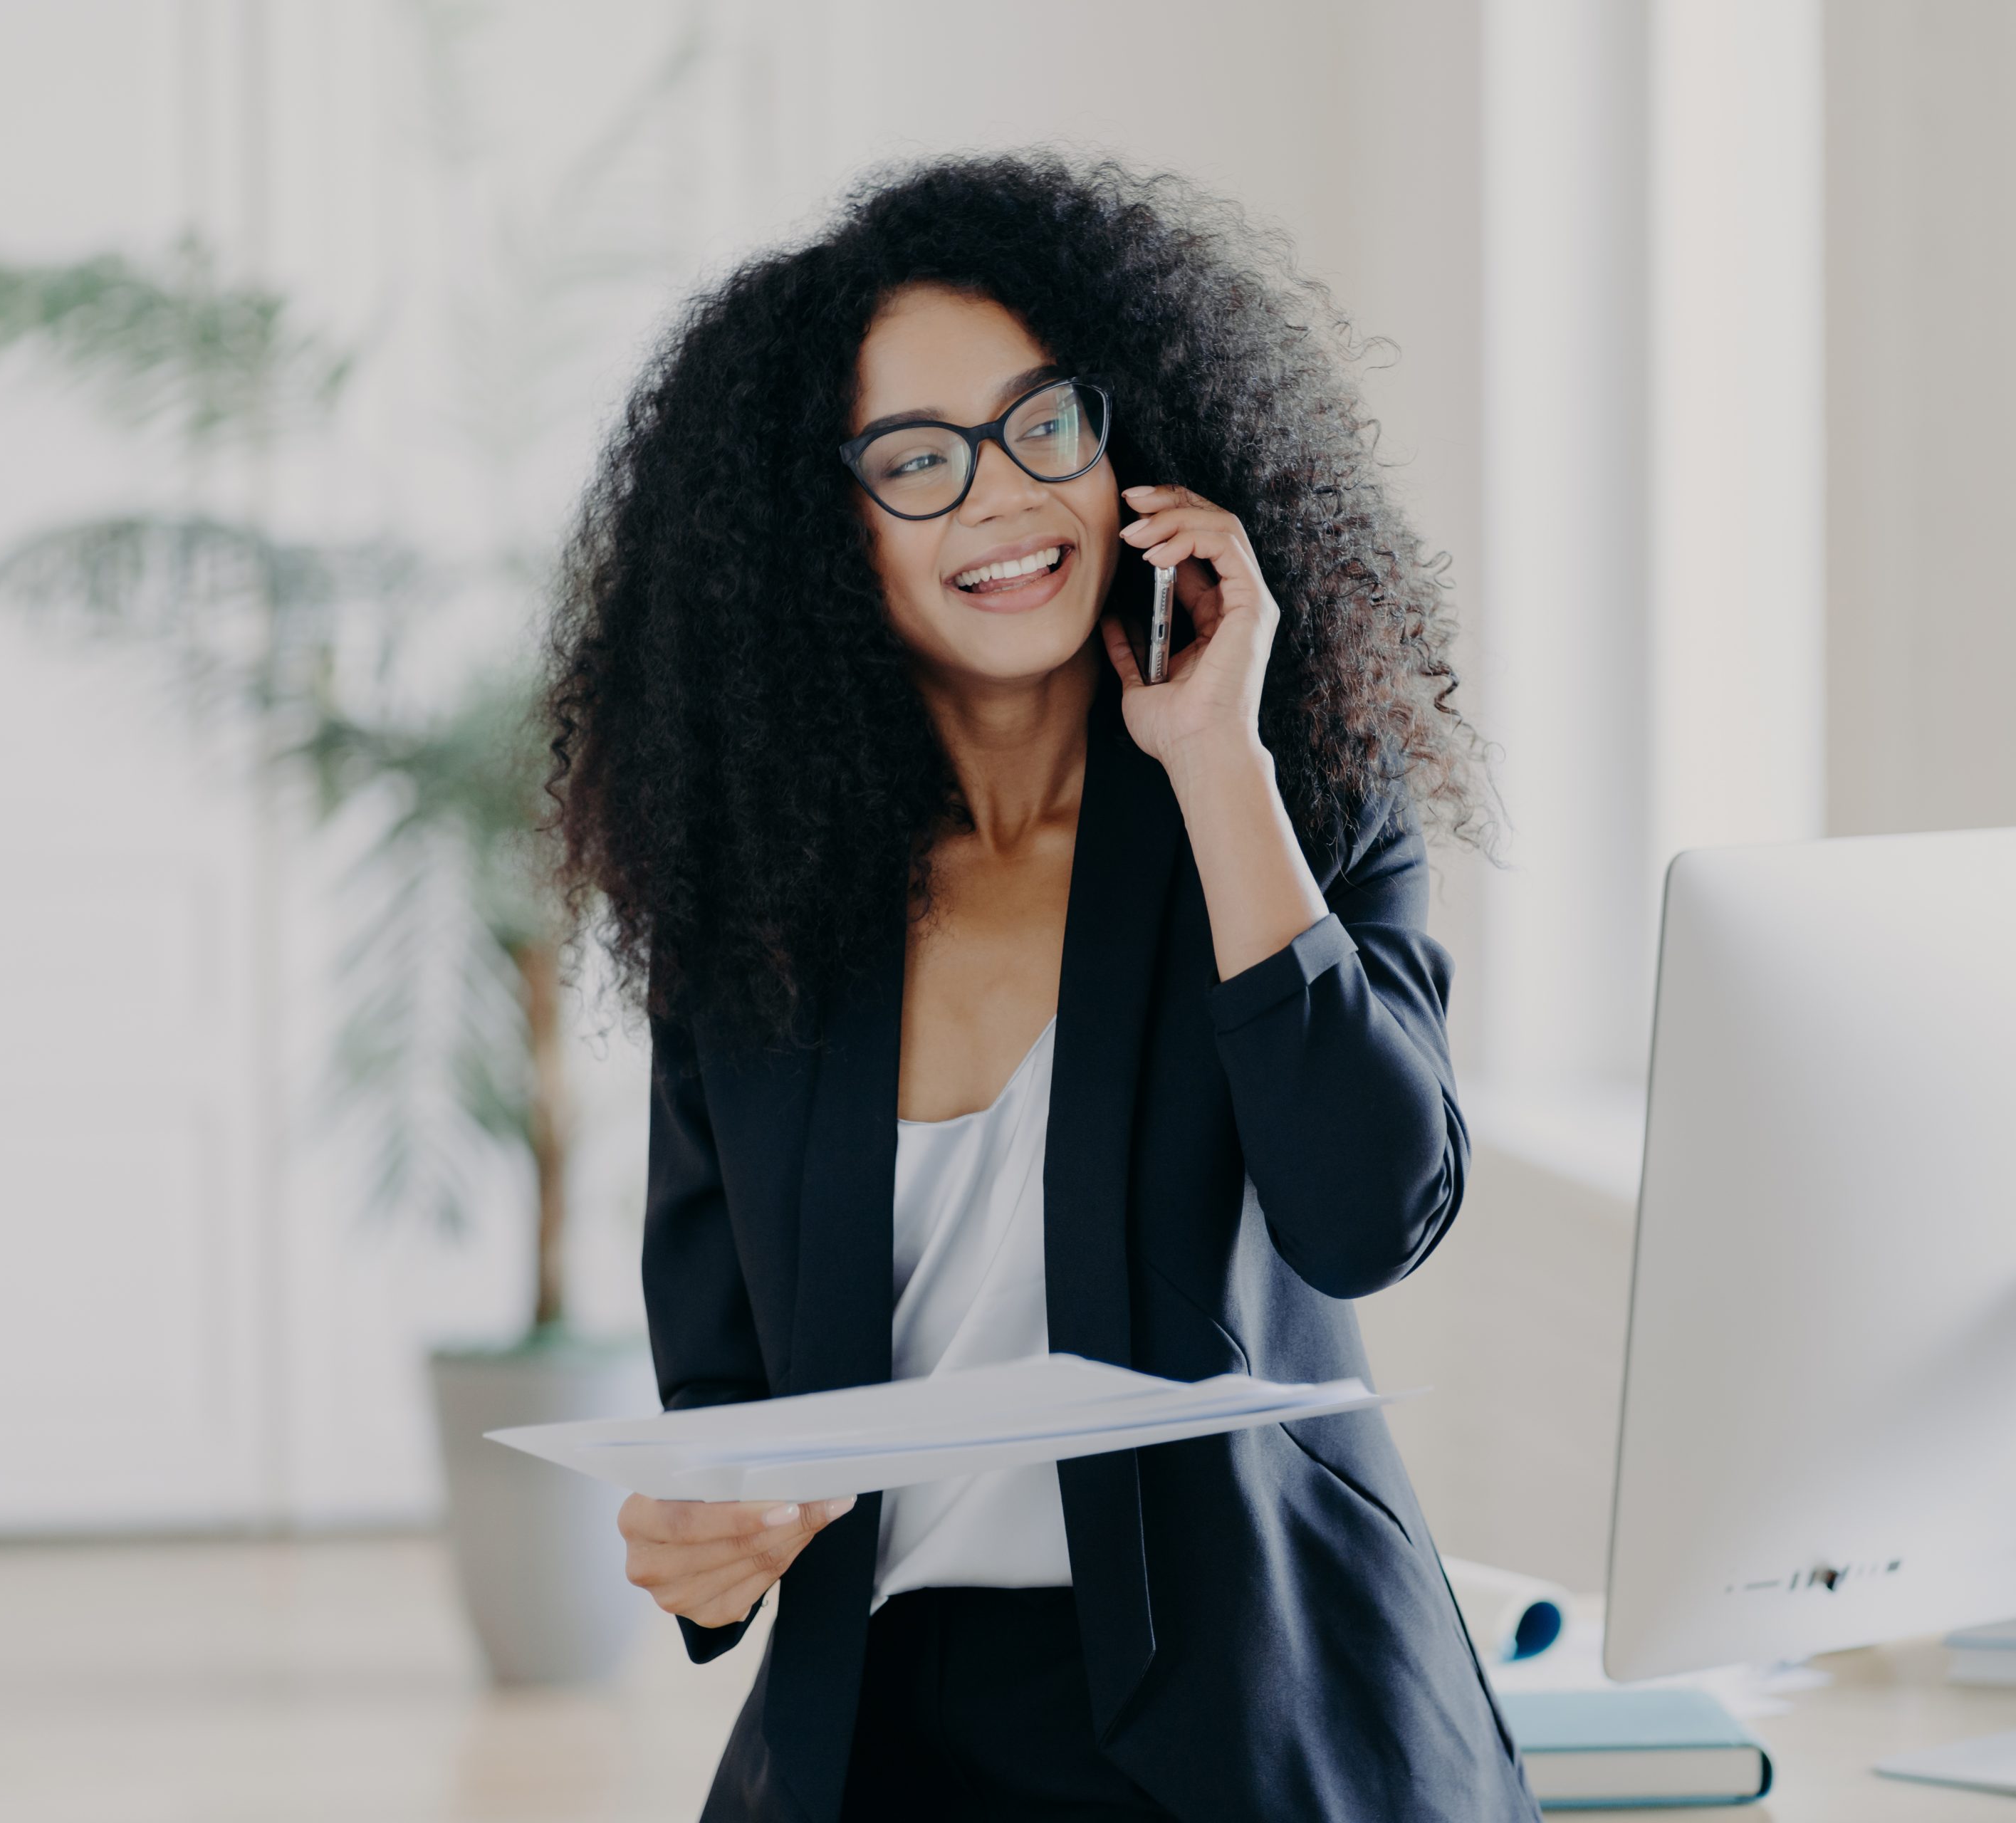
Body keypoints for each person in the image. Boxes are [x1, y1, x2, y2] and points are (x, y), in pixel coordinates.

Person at [542, 152, 1530, 1823]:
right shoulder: (753, 901)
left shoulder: (1289, 797)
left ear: (1123, 439)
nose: (1001, 498)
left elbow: (1372, 1210)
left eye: (1042, 425)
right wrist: (703, 1548)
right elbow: (725, 1403)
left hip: (1260, 1720)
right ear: (825, 529)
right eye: (917, 461)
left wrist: (1217, 758)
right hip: (885, 1735)